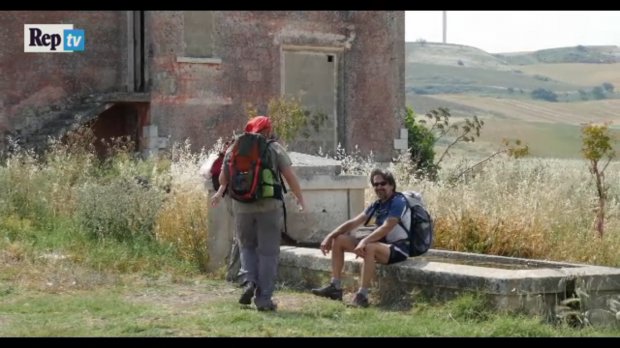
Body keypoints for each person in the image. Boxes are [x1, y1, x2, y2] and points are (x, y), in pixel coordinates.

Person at [211, 115, 306, 311]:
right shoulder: (273, 148)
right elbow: (289, 176)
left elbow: (223, 177)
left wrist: (220, 193)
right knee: (268, 252)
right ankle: (264, 299)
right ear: (268, 130)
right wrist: (300, 199)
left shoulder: (235, 147)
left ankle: (249, 281)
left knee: (247, 247)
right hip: (269, 206)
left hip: (242, 206)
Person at [310, 168, 410, 308]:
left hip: (398, 249)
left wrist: (364, 241)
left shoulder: (398, 202)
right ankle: (335, 287)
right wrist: (330, 236)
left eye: (383, 183)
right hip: (380, 245)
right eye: (375, 184)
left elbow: (387, 226)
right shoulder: (377, 205)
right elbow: (354, 222)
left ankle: (362, 296)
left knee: (369, 246)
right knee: (339, 240)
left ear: (392, 185)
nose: (379, 187)